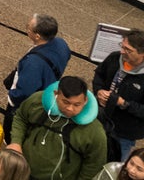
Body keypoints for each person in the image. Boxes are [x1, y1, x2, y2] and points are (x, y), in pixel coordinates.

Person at [9, 76, 107, 180]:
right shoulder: (37, 102)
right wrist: (16, 142)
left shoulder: (94, 131)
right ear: (56, 94)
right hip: (23, 172)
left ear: (85, 101)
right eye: (66, 102)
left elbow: (94, 165)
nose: (70, 108)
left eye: (77, 104)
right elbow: (21, 117)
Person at [5, 14, 71, 138]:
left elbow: (24, 92)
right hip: (46, 91)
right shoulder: (61, 43)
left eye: (28, 28)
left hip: (25, 107)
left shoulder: (34, 63)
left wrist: (11, 97)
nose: (27, 29)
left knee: (11, 135)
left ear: (37, 36)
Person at [94, 28, 144, 162]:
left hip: (124, 134)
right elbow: (99, 75)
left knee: (114, 166)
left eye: (128, 50)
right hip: (99, 119)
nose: (122, 52)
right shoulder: (115, 58)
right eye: (122, 46)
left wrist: (124, 104)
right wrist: (98, 91)